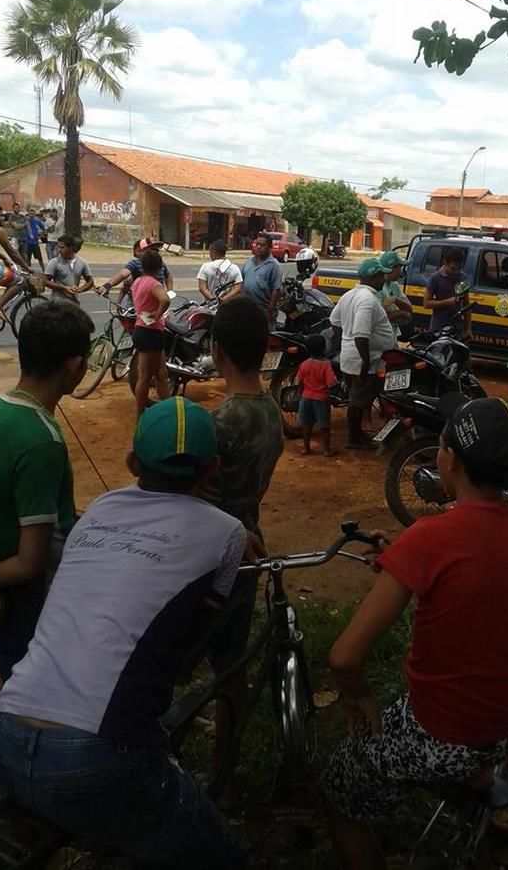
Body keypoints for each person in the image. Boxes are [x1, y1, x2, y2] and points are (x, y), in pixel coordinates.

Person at [0, 397, 250, 869]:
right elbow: (193, 636)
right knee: (225, 858)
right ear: (213, 468)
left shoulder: (99, 510)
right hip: (94, 757)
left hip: (6, 733)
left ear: (132, 463)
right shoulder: (227, 532)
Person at [322, 396, 508, 870]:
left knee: (337, 794)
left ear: (452, 460)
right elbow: (477, 587)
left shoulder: (430, 538)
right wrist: (404, 560)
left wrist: (357, 696)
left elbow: (344, 658)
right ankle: (474, 797)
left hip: (443, 731)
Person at [0, 301, 93, 680]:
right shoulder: (42, 441)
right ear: (73, 367)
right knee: (39, 687)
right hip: (38, 602)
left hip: (1, 582)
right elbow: (31, 563)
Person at [206, 297, 284, 796]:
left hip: (209, 555)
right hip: (250, 546)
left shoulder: (222, 421)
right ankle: (223, 770)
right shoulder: (272, 412)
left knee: (177, 655)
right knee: (230, 663)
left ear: (216, 352)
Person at [330, 258, 394, 449]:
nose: (384, 279)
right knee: (358, 401)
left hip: (352, 357)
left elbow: (335, 322)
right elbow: (360, 334)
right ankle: (354, 438)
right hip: (366, 360)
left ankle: (356, 435)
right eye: (381, 275)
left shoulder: (349, 295)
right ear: (373, 277)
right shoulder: (367, 300)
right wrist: (365, 362)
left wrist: (346, 342)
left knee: (357, 399)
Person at [130, 249, 171, 417]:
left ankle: (169, 409)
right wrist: (158, 314)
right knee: (146, 376)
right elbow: (165, 299)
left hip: (141, 328)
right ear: (159, 267)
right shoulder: (154, 284)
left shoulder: (137, 282)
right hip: (151, 331)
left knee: (161, 374)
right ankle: (140, 414)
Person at [297, 333, 338, 456]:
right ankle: (326, 450)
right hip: (321, 398)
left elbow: (299, 381)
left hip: (306, 397)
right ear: (324, 348)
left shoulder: (304, 364)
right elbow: (331, 382)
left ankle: (305, 448)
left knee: (307, 424)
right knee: (324, 425)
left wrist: (301, 394)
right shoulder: (326, 364)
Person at [97, 237, 174, 298]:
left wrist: (169, 291)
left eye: (157, 250)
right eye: (152, 249)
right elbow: (123, 274)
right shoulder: (136, 263)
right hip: (138, 302)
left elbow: (168, 275)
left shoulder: (161, 264)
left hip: (157, 301)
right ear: (143, 251)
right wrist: (107, 286)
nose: (155, 252)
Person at [424, 246, 472, 340]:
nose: (455, 272)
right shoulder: (435, 278)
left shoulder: (462, 278)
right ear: (445, 263)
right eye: (452, 268)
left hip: (457, 328)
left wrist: (468, 329)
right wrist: (448, 302)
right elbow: (426, 303)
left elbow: (467, 305)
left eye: (459, 269)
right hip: (439, 327)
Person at [242, 232, 282, 323]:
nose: (259, 247)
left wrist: (270, 311)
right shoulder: (248, 262)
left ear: (269, 247)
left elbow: (276, 290)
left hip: (263, 310)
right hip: (247, 308)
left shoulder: (274, 266)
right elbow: (241, 282)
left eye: (262, 245)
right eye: (257, 244)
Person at [44, 235, 94, 303]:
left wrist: (80, 289)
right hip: (56, 303)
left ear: (70, 248)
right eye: (58, 247)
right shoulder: (54, 262)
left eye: (62, 247)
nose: (59, 250)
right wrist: (63, 288)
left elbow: (90, 281)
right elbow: (45, 281)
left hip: (73, 303)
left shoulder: (82, 262)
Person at [377, 250, 413, 342]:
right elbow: (379, 319)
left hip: (392, 336)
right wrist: (400, 313)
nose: (401, 270)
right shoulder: (378, 287)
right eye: (400, 267)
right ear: (393, 268)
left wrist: (395, 300)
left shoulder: (394, 285)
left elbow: (409, 308)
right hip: (380, 337)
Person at [197, 239, 243, 303]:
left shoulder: (206, 266)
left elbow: (202, 287)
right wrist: (223, 299)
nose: (210, 254)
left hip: (208, 307)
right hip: (227, 306)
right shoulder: (234, 268)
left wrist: (213, 300)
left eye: (210, 252)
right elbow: (238, 289)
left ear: (214, 251)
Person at [23, 207, 45, 272]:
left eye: (33, 213)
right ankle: (29, 271)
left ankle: (44, 270)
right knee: (28, 259)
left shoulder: (37, 221)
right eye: (30, 213)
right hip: (27, 243)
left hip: (35, 243)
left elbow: (43, 228)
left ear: (34, 214)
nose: (31, 215)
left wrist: (40, 236)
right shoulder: (26, 221)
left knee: (40, 258)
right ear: (28, 214)